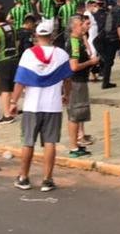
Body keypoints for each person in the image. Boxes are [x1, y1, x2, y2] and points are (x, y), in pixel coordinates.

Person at [8, 19, 74, 191]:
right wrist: (66, 95)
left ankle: (23, 177)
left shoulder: (28, 54)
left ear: (36, 35)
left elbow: (20, 81)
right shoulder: (61, 54)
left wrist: (13, 101)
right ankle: (47, 179)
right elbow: (68, 80)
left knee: (28, 142)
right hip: (53, 106)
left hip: (32, 106)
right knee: (50, 142)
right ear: (52, 36)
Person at [64, 15, 100, 158]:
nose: (84, 27)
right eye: (81, 25)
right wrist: (91, 63)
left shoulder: (78, 40)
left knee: (78, 114)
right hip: (76, 82)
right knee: (75, 114)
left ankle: (77, 143)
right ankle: (74, 147)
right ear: (73, 27)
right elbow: (74, 66)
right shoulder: (74, 43)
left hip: (79, 81)